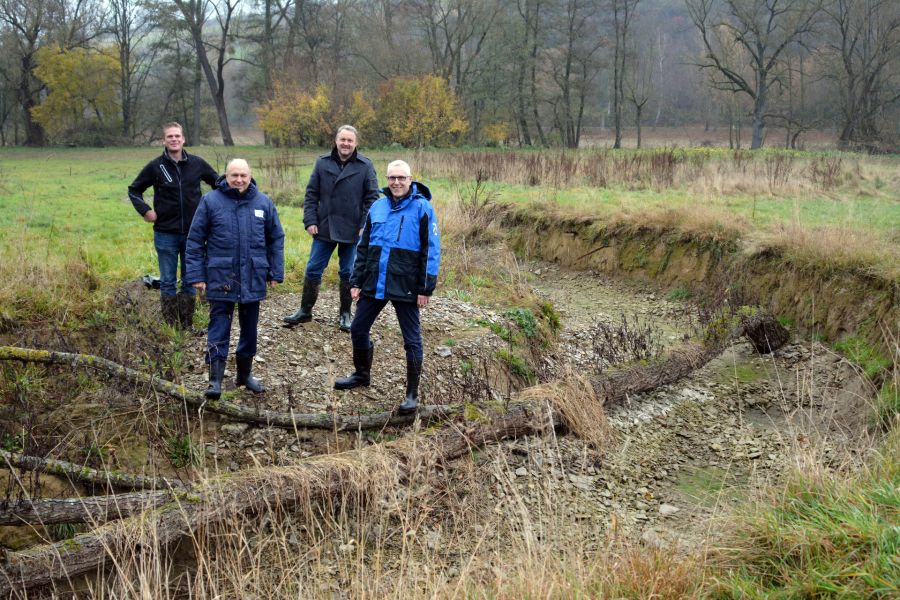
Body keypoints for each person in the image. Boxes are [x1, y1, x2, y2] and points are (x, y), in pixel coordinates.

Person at [334, 160, 440, 415]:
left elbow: (431, 250)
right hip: (374, 281)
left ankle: (412, 395)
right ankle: (361, 375)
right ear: (387, 179)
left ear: (411, 179)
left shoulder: (423, 208)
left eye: (401, 178)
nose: (396, 182)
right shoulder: (377, 207)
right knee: (358, 328)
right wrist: (356, 281)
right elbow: (364, 246)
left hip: (406, 284)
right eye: (392, 177)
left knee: (411, 339)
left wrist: (425, 288)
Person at [185, 159, 285, 400]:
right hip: (221, 275)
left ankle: (244, 375)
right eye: (234, 175)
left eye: (243, 175)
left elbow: (276, 238)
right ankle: (215, 379)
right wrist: (197, 275)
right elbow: (195, 240)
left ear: (250, 176)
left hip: (253, 275)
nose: (239, 180)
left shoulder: (263, 202)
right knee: (219, 326)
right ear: (225, 176)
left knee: (249, 329)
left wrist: (275, 272)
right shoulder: (210, 201)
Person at [283, 125, 380, 331]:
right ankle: (305, 310)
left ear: (356, 143)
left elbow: (372, 199)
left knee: (348, 272)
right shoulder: (322, 162)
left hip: (353, 230)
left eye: (350, 141)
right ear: (336, 141)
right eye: (342, 139)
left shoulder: (365, 165)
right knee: (313, 268)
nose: (345, 144)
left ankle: (345, 314)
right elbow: (311, 194)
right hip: (324, 227)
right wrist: (310, 221)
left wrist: (364, 226)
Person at [128, 122, 218, 329]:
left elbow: (217, 182)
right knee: (168, 281)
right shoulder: (155, 166)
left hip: (193, 234)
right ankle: (170, 326)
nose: (174, 139)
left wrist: (217, 205)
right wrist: (145, 210)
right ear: (164, 141)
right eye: (170, 137)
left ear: (183, 139)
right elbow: (134, 190)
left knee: (190, 280)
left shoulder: (197, 163)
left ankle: (185, 325)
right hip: (165, 233)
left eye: (177, 136)